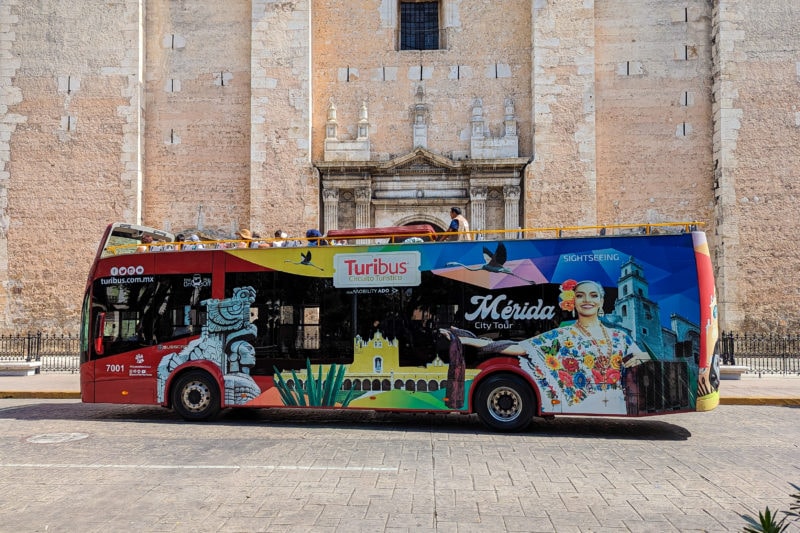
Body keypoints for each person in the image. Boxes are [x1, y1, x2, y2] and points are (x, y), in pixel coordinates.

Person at [444, 279, 650, 414]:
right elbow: (517, 347)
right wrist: (469, 340)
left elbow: (643, 356)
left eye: (594, 295)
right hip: (578, 404)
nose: (587, 300)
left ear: (602, 300)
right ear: (573, 302)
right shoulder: (561, 335)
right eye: (580, 295)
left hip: (617, 403)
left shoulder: (619, 337)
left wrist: (643, 358)